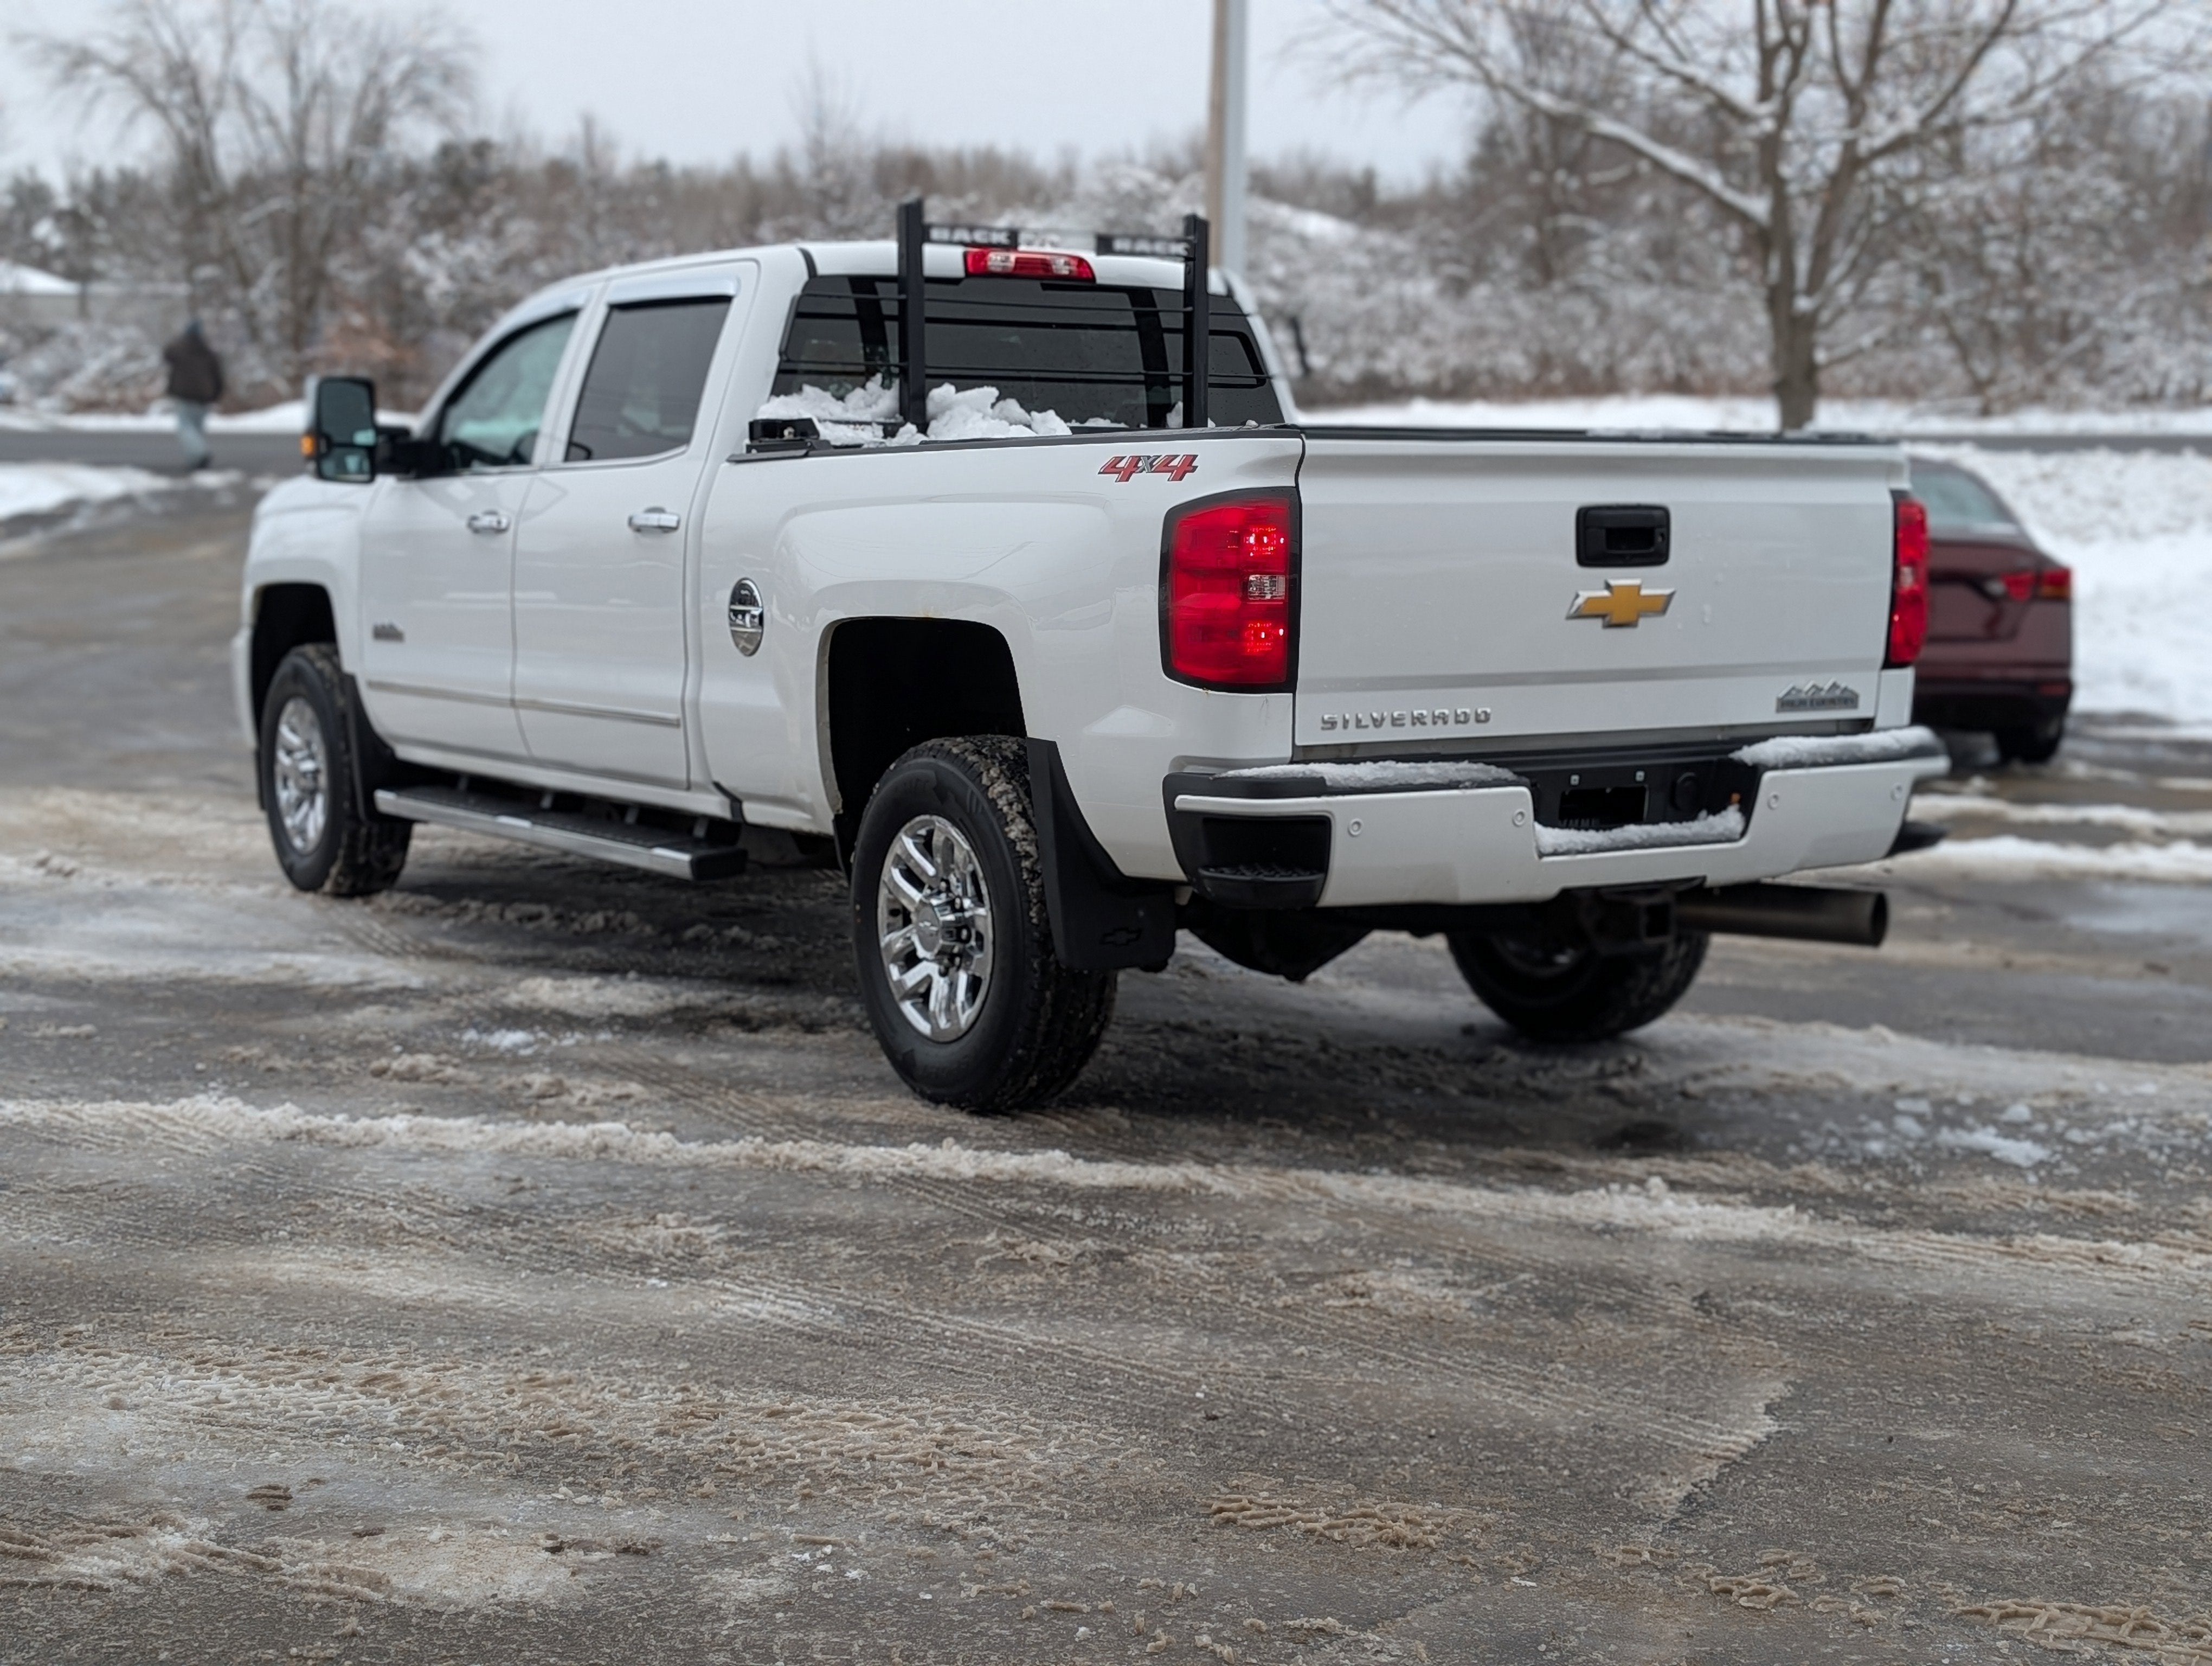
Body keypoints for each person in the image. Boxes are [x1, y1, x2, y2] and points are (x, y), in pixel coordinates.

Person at [162, 319, 224, 471]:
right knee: (197, 428)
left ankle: (199, 454)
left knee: (186, 427)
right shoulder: (208, 352)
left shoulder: (180, 350)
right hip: (204, 396)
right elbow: (218, 376)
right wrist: (217, 394)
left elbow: (167, 354)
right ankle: (195, 460)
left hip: (185, 394)